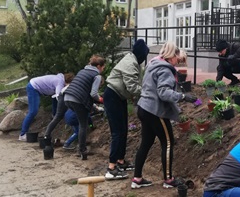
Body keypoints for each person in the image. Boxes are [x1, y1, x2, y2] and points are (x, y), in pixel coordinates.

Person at [131, 42, 197, 189]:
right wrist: (183, 97)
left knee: (146, 143)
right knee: (168, 142)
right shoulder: (165, 70)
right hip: (155, 111)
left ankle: (137, 178)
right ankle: (168, 179)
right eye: (177, 59)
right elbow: (163, 93)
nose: (177, 63)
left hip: (143, 107)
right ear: (172, 56)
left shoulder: (153, 64)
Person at [103, 39, 149, 180]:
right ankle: (111, 168)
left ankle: (120, 161)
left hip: (119, 97)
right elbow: (132, 87)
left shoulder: (132, 60)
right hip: (112, 96)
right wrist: (148, 93)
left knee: (123, 130)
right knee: (117, 132)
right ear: (141, 55)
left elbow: (134, 84)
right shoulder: (130, 63)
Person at [64, 55, 106, 160]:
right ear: (99, 66)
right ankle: (82, 150)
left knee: (81, 116)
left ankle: (75, 141)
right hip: (77, 100)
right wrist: (101, 100)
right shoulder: (97, 76)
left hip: (67, 97)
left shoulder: (82, 71)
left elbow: (85, 92)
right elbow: (93, 94)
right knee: (83, 125)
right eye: (103, 67)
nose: (103, 70)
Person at [19, 73, 75, 141]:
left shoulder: (60, 80)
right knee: (33, 111)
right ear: (68, 82)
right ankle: (22, 134)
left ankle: (54, 115)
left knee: (54, 98)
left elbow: (55, 97)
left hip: (35, 85)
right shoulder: (60, 83)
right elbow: (59, 97)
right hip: (33, 87)